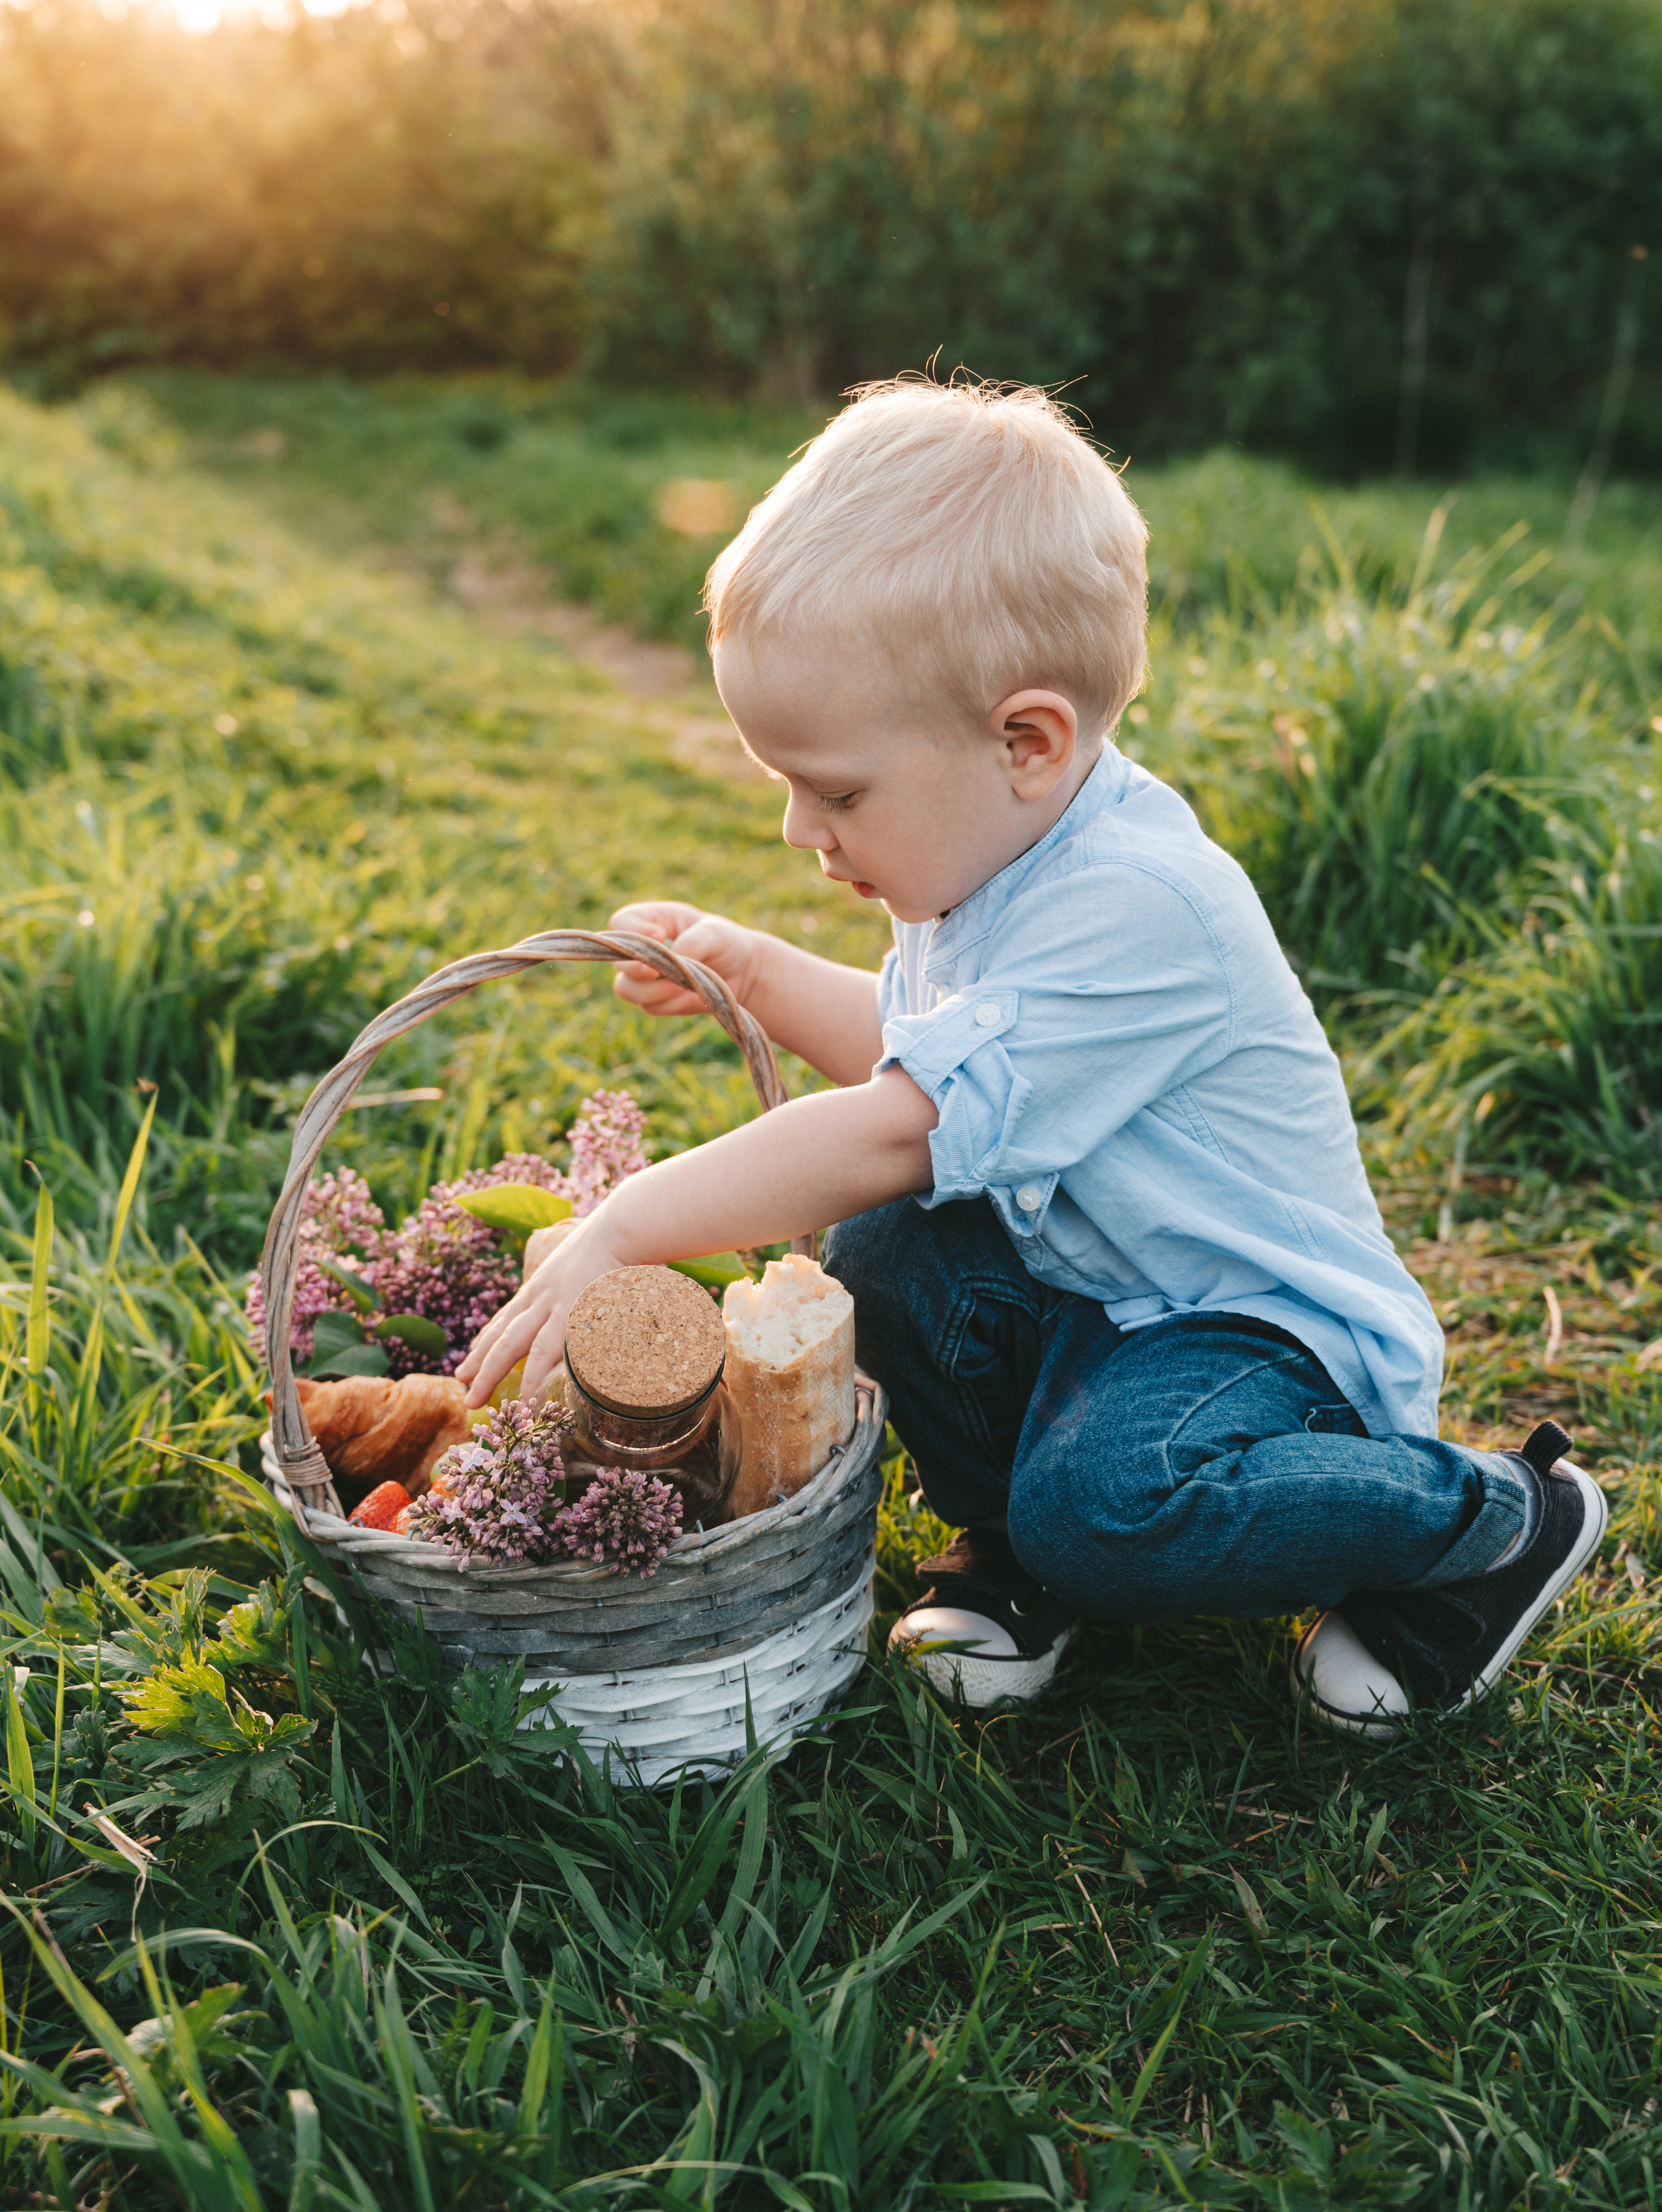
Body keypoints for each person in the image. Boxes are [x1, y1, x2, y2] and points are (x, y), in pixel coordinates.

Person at [458, 375, 1606, 1739]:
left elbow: (897, 1121)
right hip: (1091, 1305)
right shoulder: (990, 856)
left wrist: (629, 1223)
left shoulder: (1138, 906)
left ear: (1025, 740)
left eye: (834, 790)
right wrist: (755, 979)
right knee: (883, 1251)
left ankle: (1484, 1519)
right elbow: (925, 1066)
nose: (794, 828)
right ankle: (1019, 1550)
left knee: (1107, 1499)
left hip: (1250, 1335)